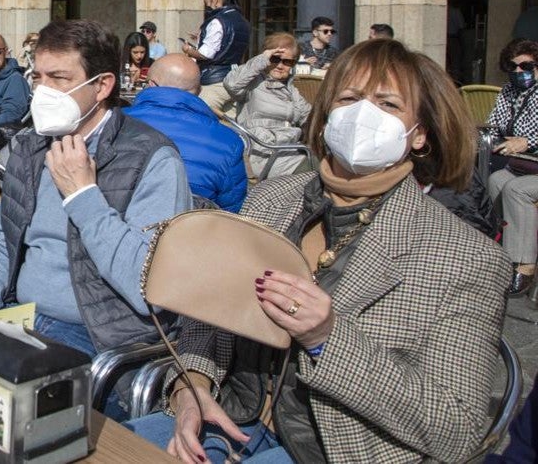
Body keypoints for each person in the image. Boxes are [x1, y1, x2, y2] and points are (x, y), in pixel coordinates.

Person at [128, 38, 508, 464]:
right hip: (229, 416)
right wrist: (191, 388)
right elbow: (209, 317)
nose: (362, 115)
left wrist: (326, 337)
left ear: (419, 135)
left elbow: (456, 429)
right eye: (348, 98)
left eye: (387, 105)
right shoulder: (269, 200)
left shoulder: (463, 255)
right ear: (326, 118)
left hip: (334, 447)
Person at [0, 20, 192, 419]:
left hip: (97, 335)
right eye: (38, 78)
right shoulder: (30, 146)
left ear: (101, 87)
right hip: (18, 319)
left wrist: (84, 195)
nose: (43, 91)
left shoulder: (150, 159)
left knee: (6, 423)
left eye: (59, 78)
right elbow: (0, 237)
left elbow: (146, 283)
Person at [126, 55, 247, 212]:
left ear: (150, 84)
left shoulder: (115, 122)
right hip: (192, 230)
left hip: (121, 226)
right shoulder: (229, 141)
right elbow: (231, 212)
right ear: (199, 91)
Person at [222, 32, 312, 179]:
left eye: (287, 62)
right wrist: (263, 59)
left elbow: (311, 118)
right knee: (318, 169)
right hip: (264, 154)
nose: (280, 65)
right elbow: (231, 84)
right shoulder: (253, 84)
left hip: (290, 151)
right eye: (275, 59)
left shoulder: (291, 90)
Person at [487, 39, 538, 295]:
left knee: (517, 190)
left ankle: (526, 267)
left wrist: (528, 141)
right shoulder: (508, 91)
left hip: (529, 164)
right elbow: (494, 123)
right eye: (513, 66)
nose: (519, 71)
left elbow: (526, 139)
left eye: (526, 65)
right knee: (495, 179)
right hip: (523, 164)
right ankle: (504, 256)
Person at [182, 0, 249, 113]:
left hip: (214, 82)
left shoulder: (217, 21)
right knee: (230, 126)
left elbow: (205, 54)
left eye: (207, 2)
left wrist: (188, 50)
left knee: (199, 119)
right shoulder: (242, 20)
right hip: (234, 79)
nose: (207, 7)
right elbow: (228, 44)